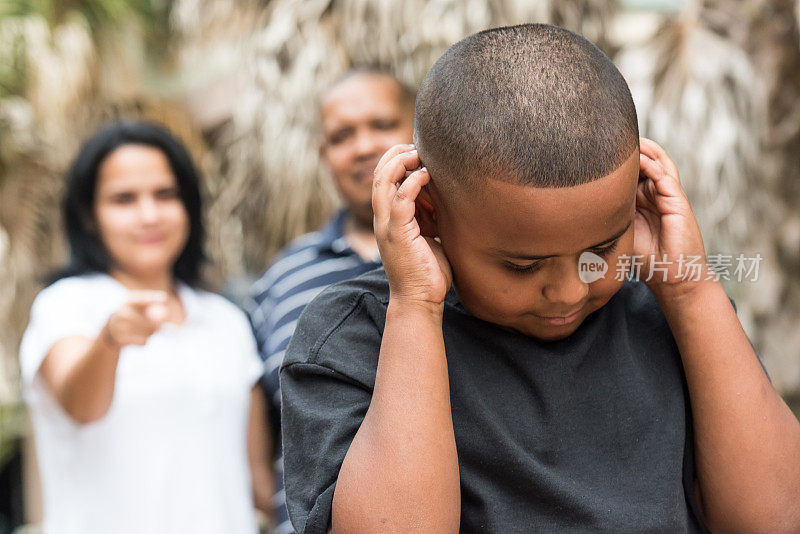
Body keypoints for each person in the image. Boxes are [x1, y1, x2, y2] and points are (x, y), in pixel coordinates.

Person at [279, 24, 800, 533]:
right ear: (429, 215)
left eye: (603, 248)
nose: (571, 290)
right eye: (523, 266)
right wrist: (415, 305)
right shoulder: (355, 336)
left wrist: (690, 289)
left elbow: (776, 519)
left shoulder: (667, 309)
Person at [19, 121, 273, 534]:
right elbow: (80, 405)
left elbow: (258, 478)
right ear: (89, 216)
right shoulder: (65, 304)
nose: (149, 215)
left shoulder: (227, 321)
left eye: (165, 194)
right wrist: (109, 342)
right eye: (123, 199)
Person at [247, 69, 414, 532]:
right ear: (324, 155)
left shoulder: (475, 255)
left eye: (381, 125)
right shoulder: (281, 280)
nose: (363, 147)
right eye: (342, 136)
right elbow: (259, 440)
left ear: (420, 129)